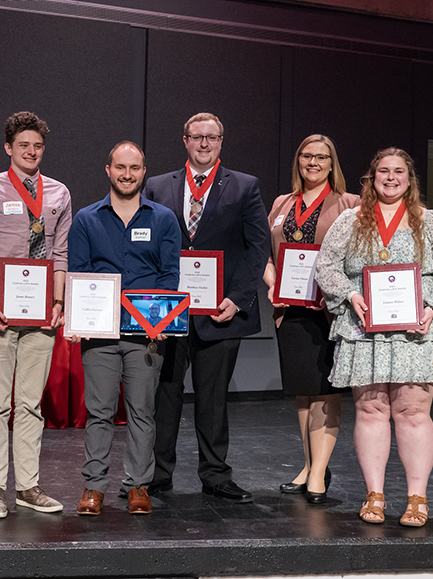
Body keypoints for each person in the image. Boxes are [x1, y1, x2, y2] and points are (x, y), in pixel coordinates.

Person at [314, 147, 433, 527]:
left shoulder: (431, 222)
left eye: (398, 172)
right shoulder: (350, 220)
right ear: (372, 177)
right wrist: (351, 295)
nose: (390, 177)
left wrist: (432, 308)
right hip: (365, 328)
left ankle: (417, 498)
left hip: (417, 331)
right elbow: (326, 266)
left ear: (410, 179)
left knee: (413, 412)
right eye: (383, 171)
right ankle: (375, 495)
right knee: (371, 409)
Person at [145, 112, 269, 503]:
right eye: (196, 137)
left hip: (221, 312)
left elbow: (257, 247)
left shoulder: (245, 187)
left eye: (211, 138)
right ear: (184, 140)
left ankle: (215, 475)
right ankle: (157, 474)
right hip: (169, 312)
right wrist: (151, 303)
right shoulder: (158, 185)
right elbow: (146, 245)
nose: (203, 144)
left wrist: (238, 298)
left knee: (213, 400)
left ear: (221, 142)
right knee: (164, 396)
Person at [69, 141, 181, 516]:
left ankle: (137, 485)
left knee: (142, 412)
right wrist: (77, 318)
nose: (127, 174)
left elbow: (169, 276)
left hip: (146, 335)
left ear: (143, 172)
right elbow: (79, 274)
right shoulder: (87, 218)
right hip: (99, 334)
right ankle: (94, 486)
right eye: (120, 167)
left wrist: (161, 318)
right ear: (108, 170)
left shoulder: (163, 218)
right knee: (99, 412)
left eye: (134, 168)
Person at [0, 111, 71, 519]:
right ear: (9, 148)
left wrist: (59, 304)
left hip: (42, 308)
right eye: (24, 145)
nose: (31, 152)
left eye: (38, 146)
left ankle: (27, 485)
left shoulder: (59, 192)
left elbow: (60, 254)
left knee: (30, 404)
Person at [263, 135, 359, 504]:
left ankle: (319, 473)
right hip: (289, 311)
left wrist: (337, 291)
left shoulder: (350, 205)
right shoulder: (282, 204)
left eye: (321, 157)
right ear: (298, 161)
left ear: (332, 163)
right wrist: (273, 285)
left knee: (324, 391)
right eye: (307, 156)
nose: (313, 163)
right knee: (303, 394)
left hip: (328, 312)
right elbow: (267, 256)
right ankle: (308, 464)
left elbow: (359, 260)